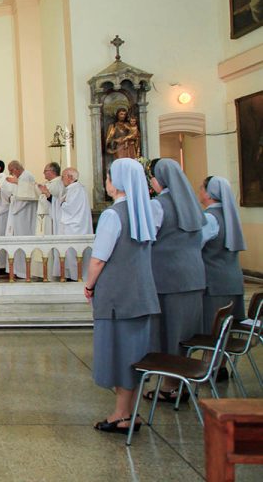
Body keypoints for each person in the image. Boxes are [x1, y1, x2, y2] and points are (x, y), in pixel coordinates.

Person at [84, 158, 160, 434]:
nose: (106, 182)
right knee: (133, 353)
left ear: (116, 183)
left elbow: (99, 259)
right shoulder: (146, 210)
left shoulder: (113, 215)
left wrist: (89, 285)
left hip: (117, 295)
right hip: (140, 294)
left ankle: (120, 414)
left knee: (116, 353)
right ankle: (129, 410)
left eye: (107, 177)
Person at [139, 158, 206, 401]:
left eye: (152, 178)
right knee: (184, 333)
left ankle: (170, 386)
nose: (152, 182)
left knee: (169, 334)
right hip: (194, 277)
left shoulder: (159, 205)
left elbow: (146, 238)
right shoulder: (192, 205)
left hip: (168, 278)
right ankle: (183, 380)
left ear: (160, 180)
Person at [199, 176, 247, 330]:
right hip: (233, 279)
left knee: (214, 331)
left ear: (209, 194)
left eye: (201, 187)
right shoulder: (229, 215)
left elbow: (195, 246)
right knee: (227, 332)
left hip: (215, 283)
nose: (199, 190)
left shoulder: (210, 218)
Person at [3, 160, 39, 279]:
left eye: (12, 171)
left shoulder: (27, 176)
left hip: (25, 214)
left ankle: (25, 271)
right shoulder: (21, 178)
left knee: (24, 239)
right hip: (18, 214)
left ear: (17, 169)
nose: (11, 174)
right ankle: (18, 270)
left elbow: (29, 193)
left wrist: (17, 184)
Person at [58, 168, 93, 280]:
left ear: (70, 177)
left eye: (63, 177)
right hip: (76, 225)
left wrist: (62, 203)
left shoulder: (76, 189)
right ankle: (74, 275)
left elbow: (70, 207)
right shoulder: (76, 189)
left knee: (74, 252)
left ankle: (76, 276)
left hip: (74, 227)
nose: (62, 179)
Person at [38, 162, 65, 278]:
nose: (44, 173)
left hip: (50, 218)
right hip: (43, 217)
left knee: (49, 245)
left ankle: (51, 273)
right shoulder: (48, 183)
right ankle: (44, 272)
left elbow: (57, 202)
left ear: (53, 171)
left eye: (45, 171)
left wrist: (47, 194)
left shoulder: (58, 183)